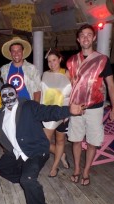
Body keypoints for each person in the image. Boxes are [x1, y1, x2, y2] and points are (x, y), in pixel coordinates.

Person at [67, 24, 114, 186]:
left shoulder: (102, 60)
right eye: (82, 35)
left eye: (89, 35)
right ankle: (76, 169)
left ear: (94, 38)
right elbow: (68, 85)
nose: (86, 38)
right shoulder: (71, 61)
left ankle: (86, 171)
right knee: (75, 140)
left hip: (95, 108)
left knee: (92, 142)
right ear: (78, 39)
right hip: (76, 108)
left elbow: (110, 85)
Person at [40, 48, 72, 177]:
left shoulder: (68, 74)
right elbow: (42, 94)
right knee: (44, 142)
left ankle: (55, 167)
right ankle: (62, 154)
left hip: (62, 113)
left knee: (60, 141)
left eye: (54, 60)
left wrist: (67, 113)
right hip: (48, 113)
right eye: (49, 61)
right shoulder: (45, 74)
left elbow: (74, 94)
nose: (52, 63)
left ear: (60, 59)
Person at [0, 37, 41, 102]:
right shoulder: (4, 69)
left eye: (19, 50)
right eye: (13, 51)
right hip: (11, 106)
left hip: (28, 106)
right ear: (10, 53)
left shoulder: (32, 69)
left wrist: (35, 108)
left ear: (22, 52)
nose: (16, 53)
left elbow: (37, 90)